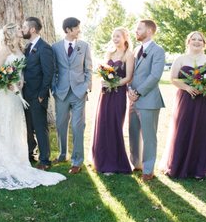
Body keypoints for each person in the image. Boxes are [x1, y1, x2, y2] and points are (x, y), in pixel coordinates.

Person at [0, 24, 66, 189]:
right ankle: (2, 156)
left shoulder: (20, 48)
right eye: (17, 29)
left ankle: (17, 156)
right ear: (9, 33)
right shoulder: (4, 49)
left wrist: (20, 79)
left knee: (16, 123)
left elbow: (20, 68)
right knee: (6, 121)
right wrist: (7, 82)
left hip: (18, 92)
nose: (21, 30)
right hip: (6, 92)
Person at [161, 31, 206, 179]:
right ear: (188, 42)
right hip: (186, 99)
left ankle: (200, 167)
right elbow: (173, 78)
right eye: (193, 39)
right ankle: (179, 164)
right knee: (183, 129)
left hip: (205, 100)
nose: (197, 42)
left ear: (204, 43)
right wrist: (187, 87)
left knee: (203, 131)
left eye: (200, 40)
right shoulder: (180, 59)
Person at [52, 17, 93, 174]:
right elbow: (54, 69)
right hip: (61, 92)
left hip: (78, 92)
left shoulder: (84, 46)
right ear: (68, 30)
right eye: (77, 28)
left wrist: (86, 86)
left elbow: (88, 68)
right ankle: (62, 155)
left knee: (77, 126)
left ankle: (77, 161)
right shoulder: (55, 47)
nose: (79, 31)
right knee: (61, 125)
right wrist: (54, 88)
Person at [91, 27, 134, 175]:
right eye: (113, 36)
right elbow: (105, 72)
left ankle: (113, 163)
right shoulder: (109, 53)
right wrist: (104, 81)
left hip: (118, 93)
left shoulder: (128, 55)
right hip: (105, 93)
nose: (115, 39)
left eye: (118, 36)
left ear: (125, 37)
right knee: (103, 123)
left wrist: (114, 84)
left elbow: (128, 77)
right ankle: (101, 160)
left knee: (114, 125)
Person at [127, 19, 165, 182]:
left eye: (139, 29)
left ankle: (148, 170)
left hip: (148, 100)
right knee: (133, 133)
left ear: (149, 31)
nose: (136, 31)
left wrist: (138, 92)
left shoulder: (158, 51)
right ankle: (136, 164)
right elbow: (131, 73)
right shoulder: (136, 50)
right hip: (133, 99)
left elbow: (155, 76)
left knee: (149, 136)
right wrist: (129, 89)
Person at [22, 17, 55, 170]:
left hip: (37, 95)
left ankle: (45, 160)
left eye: (24, 27)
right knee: (28, 127)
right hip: (25, 95)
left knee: (40, 128)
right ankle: (30, 153)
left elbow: (49, 73)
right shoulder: (27, 47)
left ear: (32, 29)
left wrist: (42, 95)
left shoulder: (44, 48)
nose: (22, 30)